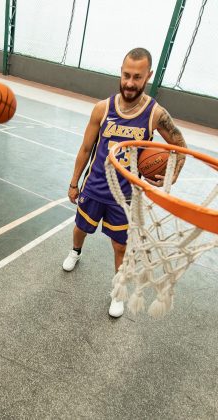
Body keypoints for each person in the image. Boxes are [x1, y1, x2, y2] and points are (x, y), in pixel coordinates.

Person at [62, 47, 187, 317]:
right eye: (126, 75)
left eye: (137, 77)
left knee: (120, 245)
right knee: (80, 227)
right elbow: (85, 148)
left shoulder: (155, 114)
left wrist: (171, 175)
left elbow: (179, 145)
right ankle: (76, 252)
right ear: (121, 72)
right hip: (94, 186)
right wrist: (74, 182)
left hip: (125, 195)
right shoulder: (102, 108)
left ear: (148, 76)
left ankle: (117, 292)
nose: (130, 83)